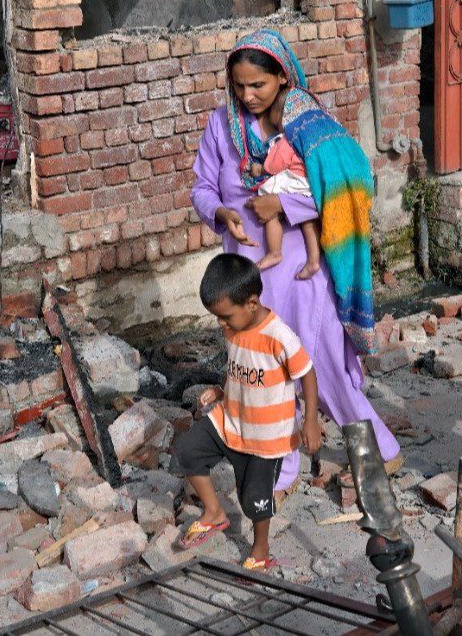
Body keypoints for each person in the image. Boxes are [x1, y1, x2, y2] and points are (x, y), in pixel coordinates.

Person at [191, 29, 403, 496]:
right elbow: (203, 188)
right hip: (250, 279)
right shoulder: (220, 128)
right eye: (239, 86)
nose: (247, 96)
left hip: (303, 276)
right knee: (265, 377)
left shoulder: (308, 124)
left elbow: (350, 184)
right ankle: (281, 472)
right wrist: (221, 212)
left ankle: (379, 451)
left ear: (282, 79)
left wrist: (285, 208)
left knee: (321, 365)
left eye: (258, 86)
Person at [173, 254, 322, 570]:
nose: (221, 324)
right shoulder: (232, 329)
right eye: (217, 317)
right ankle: (214, 512)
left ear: (252, 304)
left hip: (266, 437)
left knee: (254, 498)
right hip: (230, 419)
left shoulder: (279, 336)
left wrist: (310, 420)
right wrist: (221, 390)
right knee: (187, 450)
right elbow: (239, 367)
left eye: (225, 317)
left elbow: (307, 373)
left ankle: (261, 551)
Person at [252, 128, 320, 280]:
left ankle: (274, 252)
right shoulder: (311, 134)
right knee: (307, 219)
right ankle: (314, 261)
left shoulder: (287, 140)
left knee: (266, 193)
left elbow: (275, 165)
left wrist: (261, 169)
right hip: (310, 181)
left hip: (296, 178)